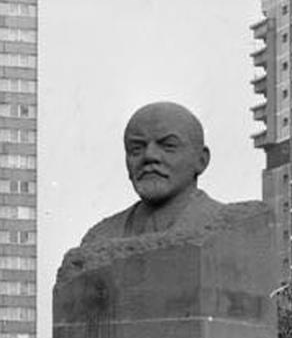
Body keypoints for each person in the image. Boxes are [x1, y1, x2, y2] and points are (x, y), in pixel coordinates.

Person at [81, 101, 224, 244]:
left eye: (168, 146)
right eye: (136, 148)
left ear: (201, 160)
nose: (149, 156)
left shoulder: (230, 228)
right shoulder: (100, 238)